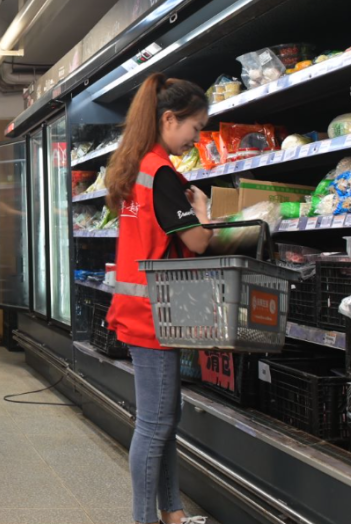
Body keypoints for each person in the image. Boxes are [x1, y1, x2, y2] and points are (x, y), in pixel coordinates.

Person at [104, 74, 211, 524]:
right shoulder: (161, 173)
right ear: (169, 119)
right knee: (154, 425)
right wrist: (203, 211)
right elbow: (197, 241)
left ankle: (172, 514)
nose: (196, 138)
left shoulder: (136, 167)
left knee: (164, 419)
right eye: (194, 127)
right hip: (154, 314)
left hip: (140, 308)